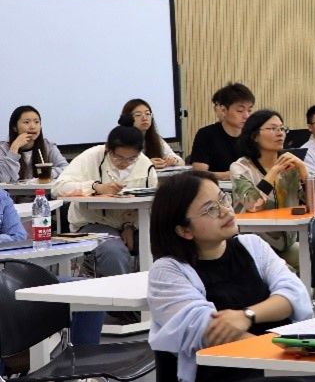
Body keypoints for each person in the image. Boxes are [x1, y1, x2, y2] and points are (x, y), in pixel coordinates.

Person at [147, 171, 315, 382]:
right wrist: (280, 355)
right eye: (210, 209)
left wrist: (246, 316)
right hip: (223, 377)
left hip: (278, 362)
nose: (225, 210)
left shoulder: (252, 245)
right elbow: (213, 331)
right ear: (184, 230)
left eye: (223, 199)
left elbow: (293, 294)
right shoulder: (168, 271)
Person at [0, 188, 106, 382]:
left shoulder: (1, 196)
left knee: (88, 294)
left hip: (14, 278)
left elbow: (18, 236)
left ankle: (78, 380)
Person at [53, 125, 157, 279]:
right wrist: (95, 187)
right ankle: (120, 291)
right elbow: (58, 188)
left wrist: (130, 226)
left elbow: (151, 202)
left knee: (160, 244)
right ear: (108, 149)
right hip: (93, 223)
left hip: (135, 225)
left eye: (131, 159)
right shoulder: (91, 157)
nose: (124, 163)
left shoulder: (145, 165)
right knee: (113, 251)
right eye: (118, 157)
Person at [229, 110, 307, 270]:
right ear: (255, 136)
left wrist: (303, 171)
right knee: (287, 273)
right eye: (272, 129)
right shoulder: (241, 168)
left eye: (282, 129)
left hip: (285, 243)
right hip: (254, 245)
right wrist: (274, 172)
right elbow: (254, 204)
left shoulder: (291, 166)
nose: (280, 133)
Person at [188, 83, 255, 181]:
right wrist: (229, 175)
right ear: (223, 110)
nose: (246, 116)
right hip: (216, 187)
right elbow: (199, 173)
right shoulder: (206, 134)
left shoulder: (254, 135)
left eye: (249, 110)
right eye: (240, 111)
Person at [2, 105, 68, 182]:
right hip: (13, 190)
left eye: (36, 122)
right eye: (26, 122)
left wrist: (48, 173)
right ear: (15, 127)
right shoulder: (3, 149)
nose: (33, 127)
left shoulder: (48, 146)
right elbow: (3, 179)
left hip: (42, 189)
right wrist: (14, 148)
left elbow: (67, 169)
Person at [120, 98, 183, 167]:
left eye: (147, 114)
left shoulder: (155, 138)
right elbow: (120, 166)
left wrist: (174, 160)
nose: (144, 118)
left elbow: (181, 162)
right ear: (127, 118)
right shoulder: (121, 140)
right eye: (138, 115)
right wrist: (146, 164)